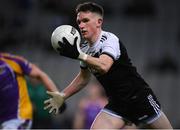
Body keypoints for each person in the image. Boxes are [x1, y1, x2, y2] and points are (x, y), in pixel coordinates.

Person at [44, 2, 173, 129]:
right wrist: (63, 95)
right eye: (79, 22)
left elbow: (104, 66)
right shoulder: (84, 49)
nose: (81, 25)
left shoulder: (109, 39)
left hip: (139, 98)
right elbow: (84, 78)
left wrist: (79, 55)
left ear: (99, 22)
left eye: (86, 20)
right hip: (117, 104)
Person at [0, 52, 59, 129]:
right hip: (13, 119)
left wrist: (58, 100)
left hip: (36, 119)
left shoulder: (44, 86)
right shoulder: (27, 86)